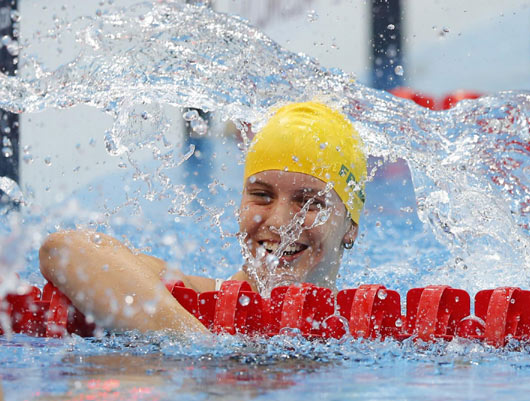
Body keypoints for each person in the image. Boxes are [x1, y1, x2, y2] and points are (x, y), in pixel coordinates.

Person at [39, 102, 367, 334]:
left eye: (308, 202)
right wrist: (196, 345)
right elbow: (65, 249)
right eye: (262, 196)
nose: (279, 222)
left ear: (350, 226)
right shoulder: (186, 300)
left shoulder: (371, 323)